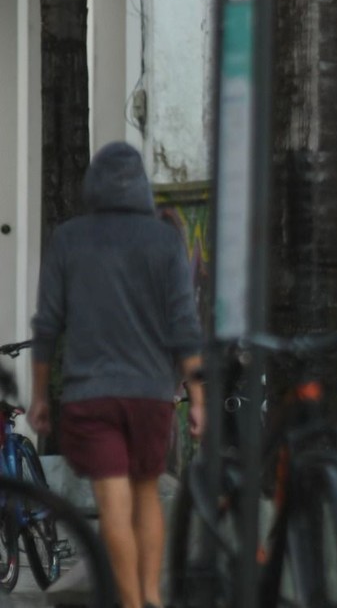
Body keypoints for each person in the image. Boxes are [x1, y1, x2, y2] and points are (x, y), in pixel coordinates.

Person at [29, 141, 204, 608]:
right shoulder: (165, 239)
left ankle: (131, 605)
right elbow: (184, 327)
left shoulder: (69, 238)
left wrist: (40, 393)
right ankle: (151, 597)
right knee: (146, 492)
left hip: (92, 396)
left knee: (113, 504)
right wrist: (200, 398)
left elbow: (47, 324)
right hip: (151, 396)